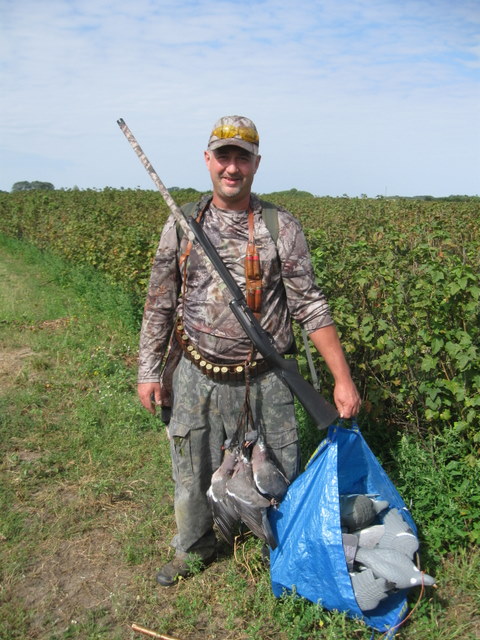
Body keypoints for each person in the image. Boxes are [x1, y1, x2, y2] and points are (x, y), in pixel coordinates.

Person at [137, 115, 361, 586]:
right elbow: (159, 302)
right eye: (224, 156)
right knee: (191, 470)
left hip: (266, 377)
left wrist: (342, 379)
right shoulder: (181, 224)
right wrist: (149, 371)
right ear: (208, 160)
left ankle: (280, 548)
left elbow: (311, 306)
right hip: (195, 373)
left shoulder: (281, 227)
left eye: (242, 158)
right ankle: (195, 547)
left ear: (257, 164)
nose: (232, 168)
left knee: (277, 470)